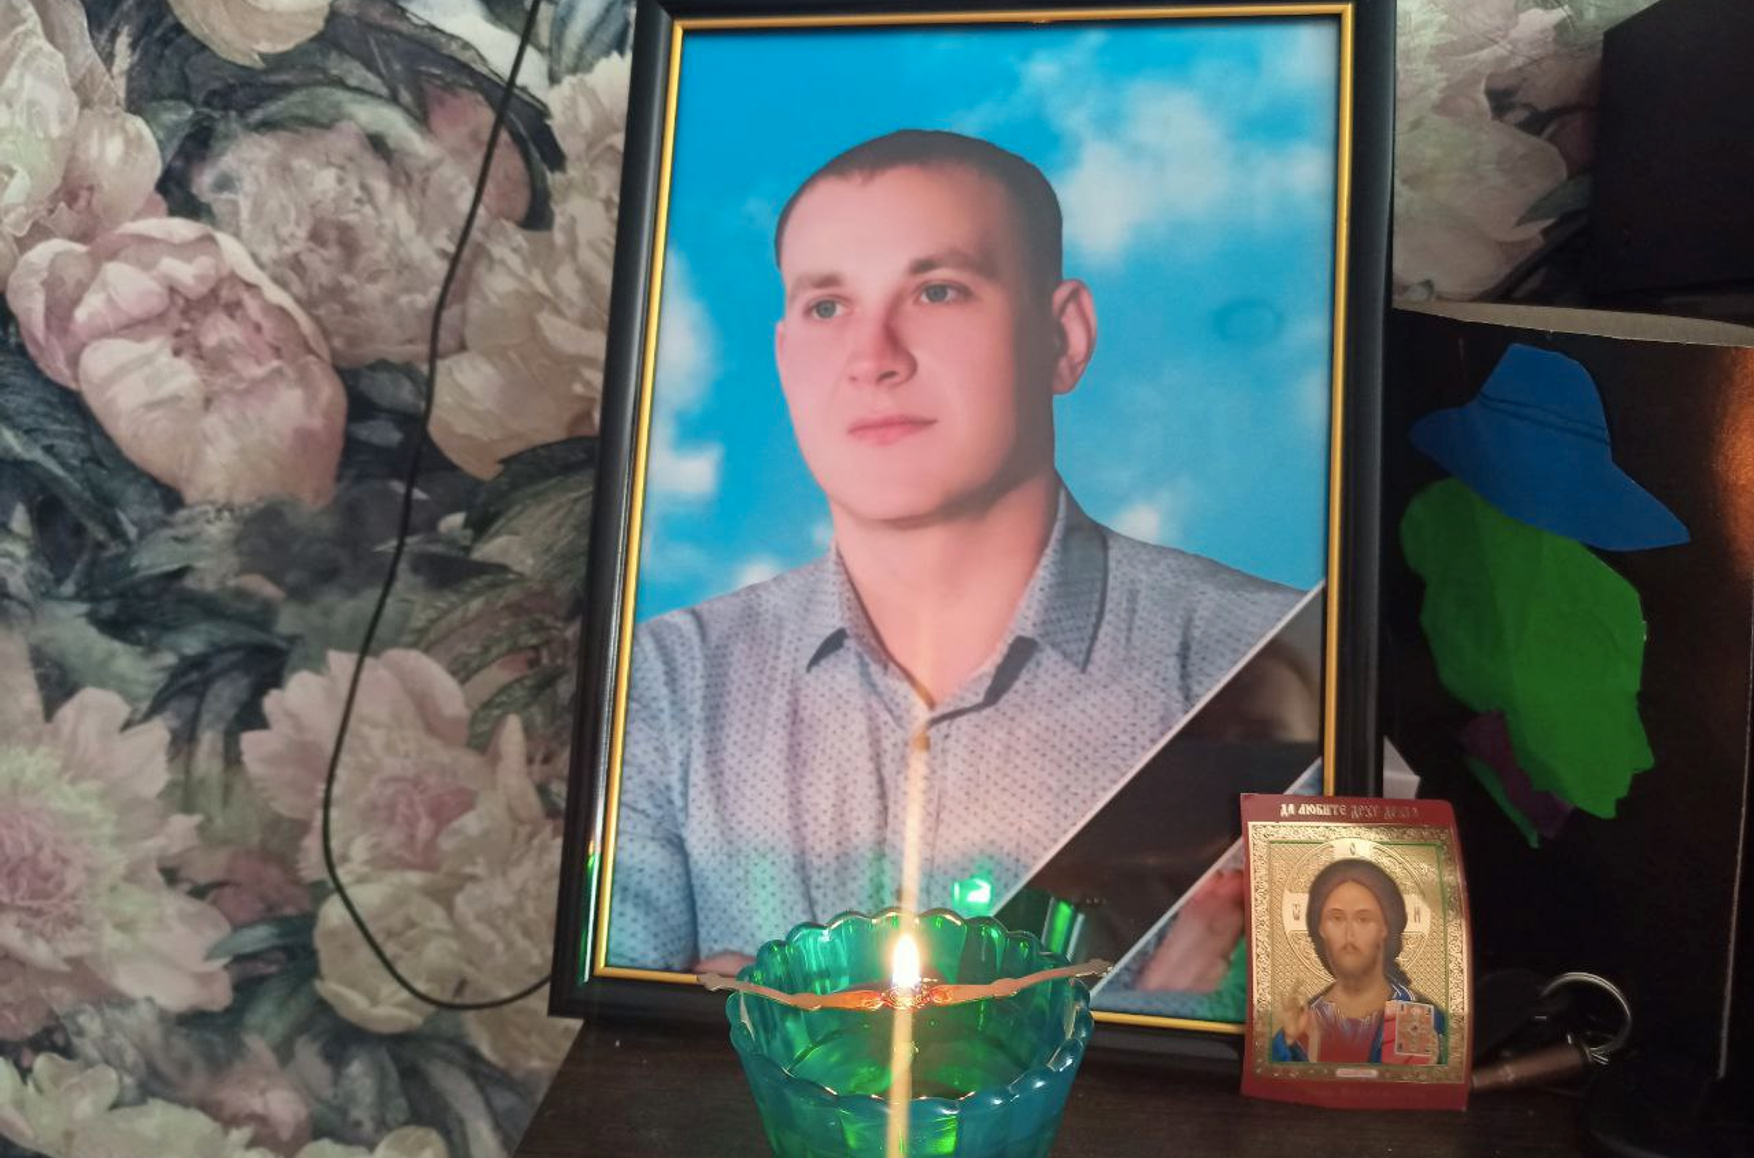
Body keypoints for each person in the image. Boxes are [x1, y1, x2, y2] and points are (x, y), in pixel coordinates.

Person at [609, 129, 1299, 972]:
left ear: (1064, 338)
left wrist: (772, 1007)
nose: (872, 359)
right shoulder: (668, 679)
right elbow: (629, 1026)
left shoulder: (1263, 658)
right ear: (786, 361)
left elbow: (1337, 1021)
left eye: (938, 291)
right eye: (828, 307)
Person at [1270, 858, 1448, 1064]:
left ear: (1385, 928)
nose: (1349, 934)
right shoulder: (1301, 1022)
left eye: (1363, 919)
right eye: (1336, 918)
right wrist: (1288, 1042)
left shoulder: (1421, 1014)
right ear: (1321, 929)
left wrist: (1432, 1067)